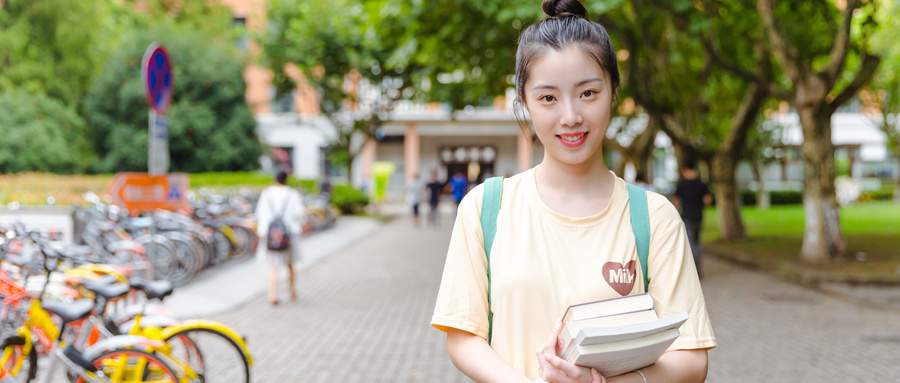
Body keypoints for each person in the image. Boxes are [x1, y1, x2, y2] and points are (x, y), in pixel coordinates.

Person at [431, 1, 716, 382]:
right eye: (548, 97)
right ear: (526, 102)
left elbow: (692, 358)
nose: (570, 116)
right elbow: (464, 336)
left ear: (613, 91)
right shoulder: (486, 208)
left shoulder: (654, 217)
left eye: (588, 93)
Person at [255, 171, 308, 305]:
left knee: (274, 266)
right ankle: (291, 291)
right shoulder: (292, 193)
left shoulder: (266, 193)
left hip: (271, 235)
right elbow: (300, 213)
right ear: (286, 180)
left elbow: (260, 213)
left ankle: (272, 295)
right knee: (290, 265)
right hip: (289, 234)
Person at [672, 159, 712, 278]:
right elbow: (708, 200)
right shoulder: (701, 183)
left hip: (686, 216)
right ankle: (697, 266)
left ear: (685, 169)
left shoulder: (682, 184)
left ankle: (694, 269)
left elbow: (676, 202)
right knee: (696, 241)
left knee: (690, 242)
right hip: (698, 216)